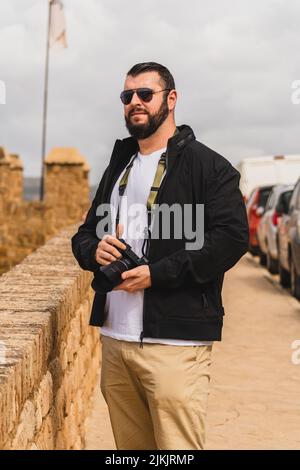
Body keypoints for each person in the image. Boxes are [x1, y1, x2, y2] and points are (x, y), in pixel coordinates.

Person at [71, 62, 249, 450]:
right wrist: (94, 250)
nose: (134, 102)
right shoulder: (119, 165)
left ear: (171, 99)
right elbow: (84, 235)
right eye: (127, 96)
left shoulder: (210, 167)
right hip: (116, 338)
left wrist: (158, 273)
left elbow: (231, 238)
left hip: (176, 345)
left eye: (144, 94)